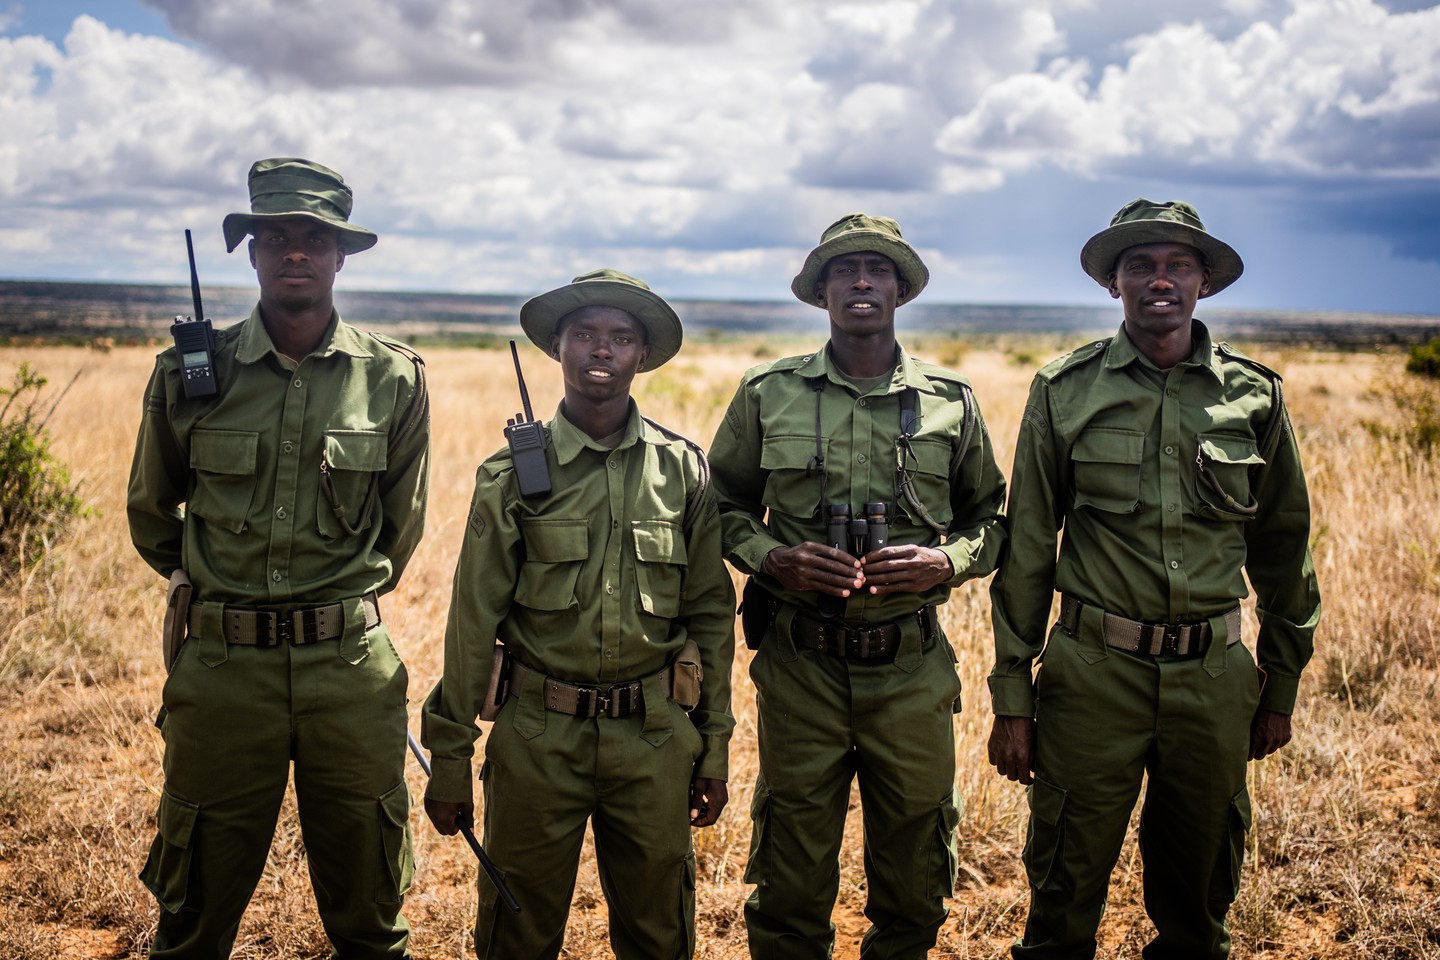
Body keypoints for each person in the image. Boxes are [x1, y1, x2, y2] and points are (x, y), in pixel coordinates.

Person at [987, 199, 1322, 958]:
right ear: (1114, 283)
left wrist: (1281, 686)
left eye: (1177, 264)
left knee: (1199, 902)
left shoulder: (1254, 395)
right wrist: (1013, 695)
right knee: (1064, 894)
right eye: (1139, 264)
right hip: (1092, 677)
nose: (1159, 279)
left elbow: (1283, 547)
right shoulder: (1064, 390)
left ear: (1205, 281)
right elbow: (1029, 549)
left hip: (1214, 679)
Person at [127, 157, 430, 959]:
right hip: (226, 673)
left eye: (313, 238)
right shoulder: (193, 374)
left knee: (371, 914)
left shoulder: (392, 379)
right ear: (253, 252)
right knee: (192, 918)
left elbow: (399, 533)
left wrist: (332, 604)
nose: (295, 251)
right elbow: (151, 513)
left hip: (349, 673)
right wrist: (212, 589)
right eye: (277, 237)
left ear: (339, 256)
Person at [708, 213, 1008, 959]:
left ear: (902, 288)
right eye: (844, 271)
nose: (862, 282)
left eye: (877, 269)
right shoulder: (767, 392)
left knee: (912, 881)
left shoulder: (951, 402)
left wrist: (946, 562)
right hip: (800, 663)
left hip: (910, 670)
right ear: (821, 292)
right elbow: (719, 507)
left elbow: (995, 520)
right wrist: (775, 559)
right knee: (789, 879)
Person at [420, 268, 735, 960]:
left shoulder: (685, 474)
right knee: (519, 934)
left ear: (642, 356)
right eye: (585, 333)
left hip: (654, 740)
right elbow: (471, 625)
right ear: (556, 347)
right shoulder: (509, 479)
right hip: (537, 738)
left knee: (660, 936)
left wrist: (712, 748)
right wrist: (450, 758)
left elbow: (711, 620)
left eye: (622, 337)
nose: (602, 350)